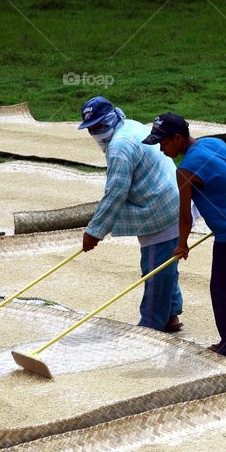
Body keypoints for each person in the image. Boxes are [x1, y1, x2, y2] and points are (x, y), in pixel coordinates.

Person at [142, 112, 226, 362]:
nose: (162, 150)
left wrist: (181, 245)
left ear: (177, 138)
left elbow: (185, 216)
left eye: (163, 143)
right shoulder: (214, 143)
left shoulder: (185, 170)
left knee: (225, 292)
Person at [77, 96, 183, 333]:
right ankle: (170, 315)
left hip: (160, 209)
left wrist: (94, 232)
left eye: (99, 126)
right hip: (170, 197)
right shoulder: (130, 125)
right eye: (91, 129)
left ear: (112, 119)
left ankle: (151, 328)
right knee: (165, 264)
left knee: (156, 270)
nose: (96, 133)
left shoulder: (119, 148)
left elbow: (115, 193)